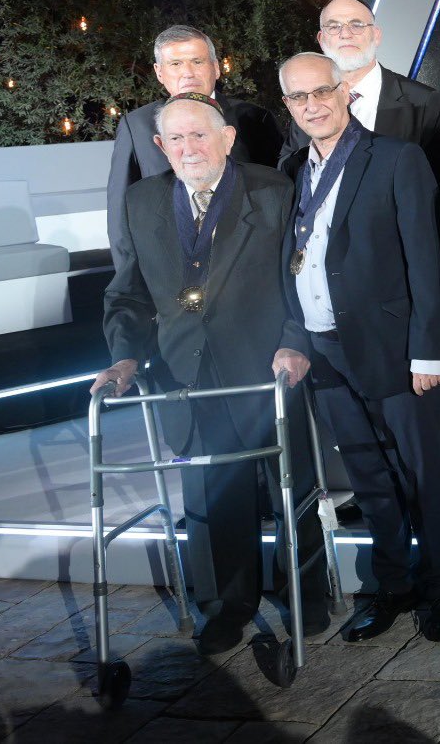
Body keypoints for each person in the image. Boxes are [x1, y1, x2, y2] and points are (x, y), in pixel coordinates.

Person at [95, 92, 325, 656]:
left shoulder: (272, 191)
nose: (188, 147)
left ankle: (305, 596)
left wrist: (296, 343)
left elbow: (301, 276)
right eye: (176, 138)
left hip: (266, 367)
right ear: (159, 145)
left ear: (226, 139)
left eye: (200, 135)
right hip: (185, 373)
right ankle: (226, 606)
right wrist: (125, 356)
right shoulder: (141, 202)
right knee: (209, 492)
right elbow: (128, 292)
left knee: (288, 486)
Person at [277, 52, 440, 645]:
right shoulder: (292, 170)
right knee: (368, 476)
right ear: (288, 106)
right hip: (324, 349)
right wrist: (295, 338)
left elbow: (426, 260)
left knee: (422, 474)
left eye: (321, 92)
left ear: (345, 93)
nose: (312, 105)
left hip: (394, 347)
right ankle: (393, 583)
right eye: (299, 98)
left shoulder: (396, 158)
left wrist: (429, 351)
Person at [107, 24, 284, 265]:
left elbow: (279, 196)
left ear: (216, 67)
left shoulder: (254, 119)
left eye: (197, 62)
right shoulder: (136, 126)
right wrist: (129, 282)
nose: (187, 73)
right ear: (159, 72)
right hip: (168, 267)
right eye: (176, 64)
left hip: (250, 264)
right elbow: (120, 215)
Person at [279, 0, 440, 186]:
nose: (345, 34)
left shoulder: (424, 102)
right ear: (321, 38)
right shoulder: (307, 103)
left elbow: (437, 180)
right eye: (334, 27)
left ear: (376, 35)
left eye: (356, 25)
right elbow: (286, 169)